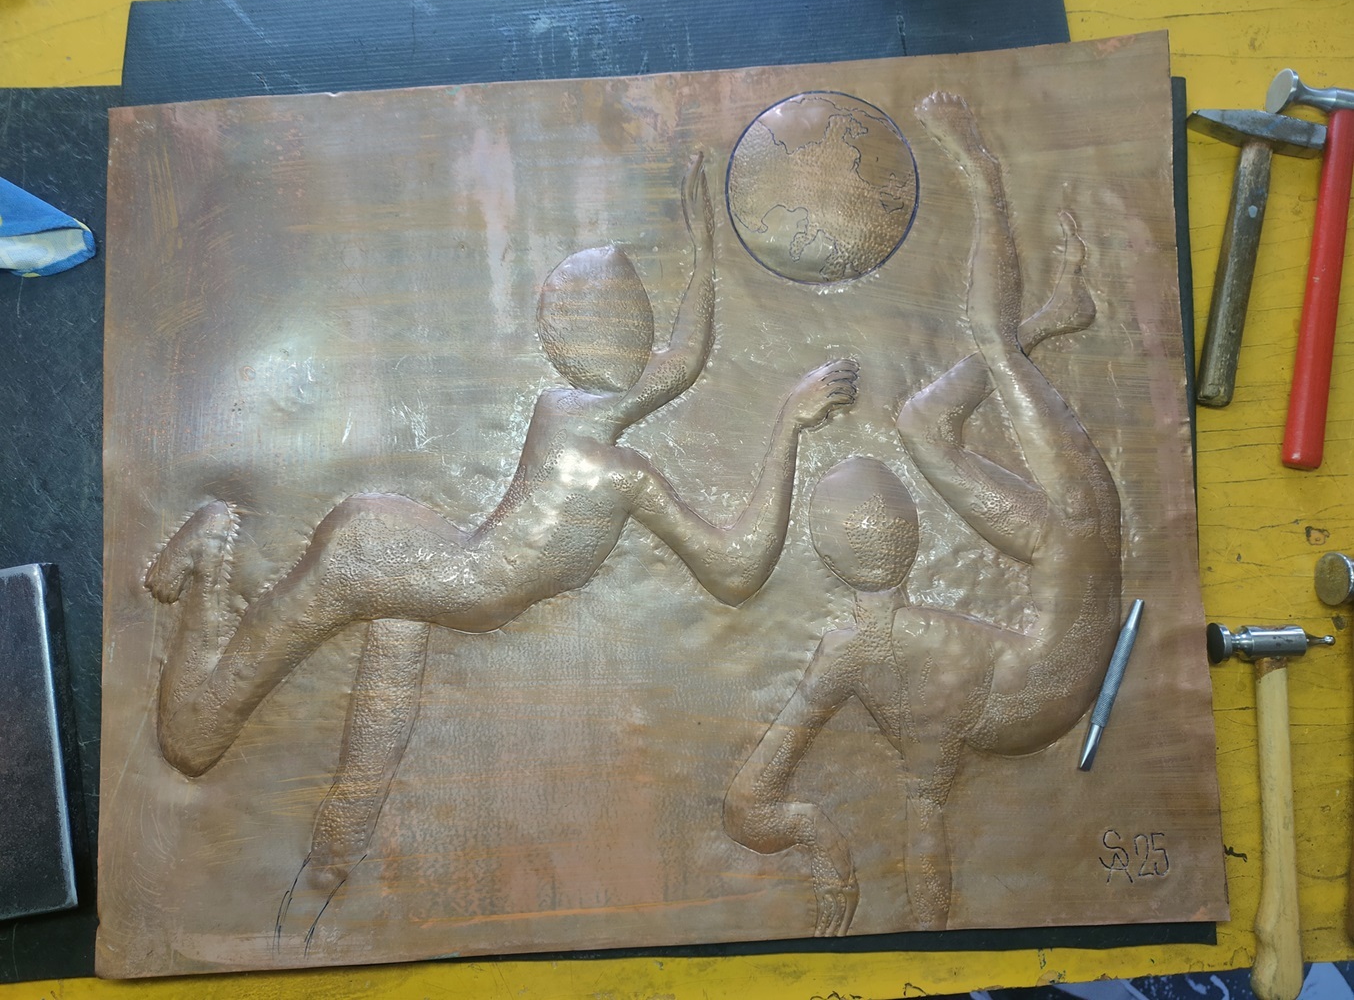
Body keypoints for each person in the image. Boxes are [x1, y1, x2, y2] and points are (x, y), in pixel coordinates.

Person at [144, 153, 858, 946]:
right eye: (624, 318)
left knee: (370, 758)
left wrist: (706, 248)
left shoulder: (568, 407)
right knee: (194, 737)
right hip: (378, 562)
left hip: (423, 574)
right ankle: (212, 553)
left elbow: (683, 364)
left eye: (638, 314)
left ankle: (317, 892)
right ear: (580, 343)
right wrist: (788, 425)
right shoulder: (615, 474)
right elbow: (735, 569)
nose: (642, 333)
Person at [723, 93, 1122, 936]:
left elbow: (772, 796)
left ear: (828, 552)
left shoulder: (856, 646)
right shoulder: (923, 634)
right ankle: (991, 192)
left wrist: (822, 844)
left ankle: (1005, 218)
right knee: (957, 380)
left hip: (1048, 656)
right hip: (1061, 627)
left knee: (938, 403)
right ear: (910, 534)